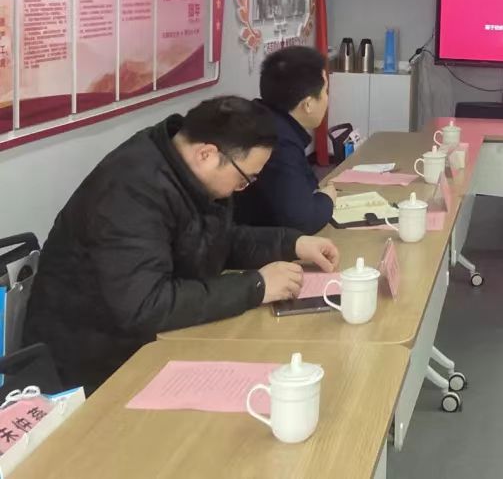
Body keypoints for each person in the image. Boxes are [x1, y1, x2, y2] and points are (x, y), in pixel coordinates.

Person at [25, 96, 340, 392]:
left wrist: (292, 243)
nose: (243, 188)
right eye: (245, 178)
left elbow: (217, 240)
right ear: (206, 154)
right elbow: (145, 305)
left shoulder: (183, 167)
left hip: (142, 341)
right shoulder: (130, 193)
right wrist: (256, 287)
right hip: (91, 367)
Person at [234, 46, 335, 234]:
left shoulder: (265, 117)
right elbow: (302, 221)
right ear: (308, 104)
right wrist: (327, 200)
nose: (327, 99)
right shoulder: (279, 141)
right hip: (251, 240)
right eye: (325, 92)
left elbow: (307, 184)